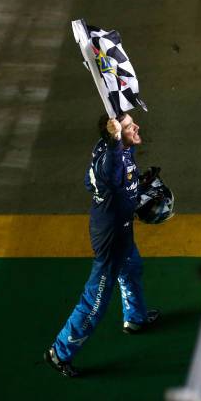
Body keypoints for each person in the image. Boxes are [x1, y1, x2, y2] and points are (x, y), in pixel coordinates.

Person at [44, 113, 159, 377]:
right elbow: (109, 170)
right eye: (130, 127)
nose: (137, 127)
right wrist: (115, 139)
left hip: (120, 226)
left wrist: (138, 186)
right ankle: (58, 352)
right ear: (115, 135)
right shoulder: (113, 154)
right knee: (95, 301)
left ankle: (135, 318)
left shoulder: (118, 152)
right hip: (111, 237)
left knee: (131, 268)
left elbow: (99, 180)